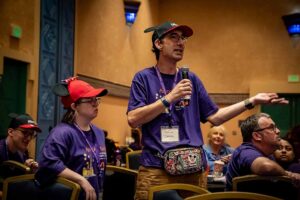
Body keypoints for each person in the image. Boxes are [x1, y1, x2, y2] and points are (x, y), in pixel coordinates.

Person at [127, 21, 289, 200]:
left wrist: (251, 101)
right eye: (173, 37)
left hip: (194, 171)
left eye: (183, 38)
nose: (181, 43)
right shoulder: (143, 78)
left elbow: (216, 117)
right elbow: (134, 119)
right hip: (157, 169)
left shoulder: (191, 79)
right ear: (158, 44)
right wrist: (169, 98)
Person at [35, 77, 108, 200]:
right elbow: (48, 163)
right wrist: (81, 180)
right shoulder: (62, 133)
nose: (95, 103)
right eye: (90, 100)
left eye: (96, 99)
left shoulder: (99, 132)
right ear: (74, 106)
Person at [226, 113, 300, 190]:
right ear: (257, 136)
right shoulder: (246, 151)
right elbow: (266, 166)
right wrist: (290, 175)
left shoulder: (268, 154)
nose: (278, 131)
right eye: (272, 128)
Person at [0, 113, 41, 199]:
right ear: (10, 132)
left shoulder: (23, 152)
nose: (29, 138)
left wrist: (28, 172)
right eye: (25, 132)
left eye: (31, 134)